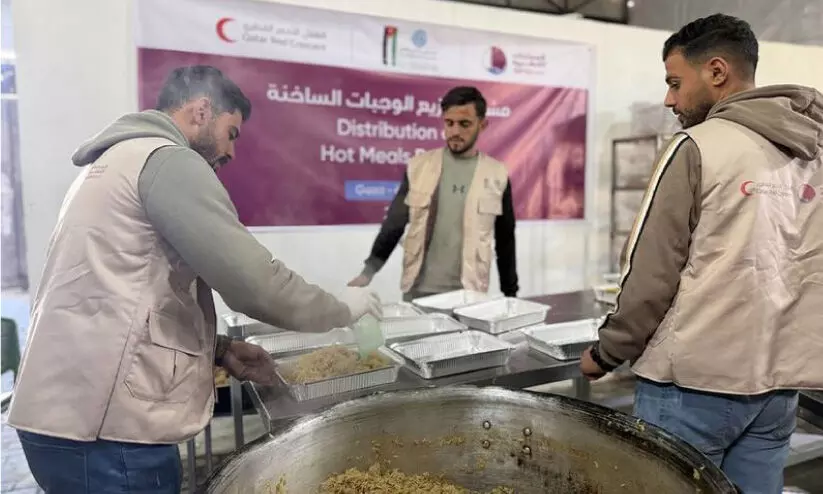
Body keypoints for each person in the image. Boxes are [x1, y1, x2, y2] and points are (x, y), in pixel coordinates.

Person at [7, 65, 382, 493]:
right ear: (202, 111)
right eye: (231, 133)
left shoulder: (115, 162)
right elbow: (255, 283)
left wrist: (218, 350)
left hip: (64, 417)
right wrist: (342, 308)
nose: (231, 152)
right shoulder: (167, 160)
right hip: (110, 435)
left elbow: (117, 298)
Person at [579, 14, 823, 493]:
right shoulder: (810, 153)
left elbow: (651, 276)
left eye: (675, 83)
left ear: (716, 71)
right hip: (777, 389)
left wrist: (606, 354)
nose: (669, 100)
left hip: (692, 387)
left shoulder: (696, 147)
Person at [348, 86, 519, 301]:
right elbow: (394, 224)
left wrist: (510, 293)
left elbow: (505, 239)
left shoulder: (497, 175)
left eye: (464, 124)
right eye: (449, 123)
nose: (455, 131)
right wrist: (368, 272)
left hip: (470, 293)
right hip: (418, 290)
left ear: (482, 125)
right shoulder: (419, 167)